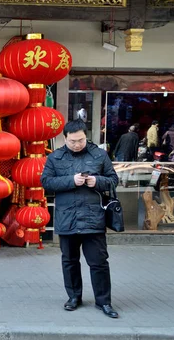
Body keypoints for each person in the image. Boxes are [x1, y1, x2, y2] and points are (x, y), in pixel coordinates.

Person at [40, 119, 119, 319]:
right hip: (67, 218)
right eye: (73, 141)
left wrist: (97, 181)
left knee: (99, 262)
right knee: (69, 261)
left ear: (86, 136)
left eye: (81, 140)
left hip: (94, 218)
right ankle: (74, 297)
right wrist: (71, 181)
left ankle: (104, 302)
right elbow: (46, 183)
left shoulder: (99, 155)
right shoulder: (55, 157)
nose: (77, 144)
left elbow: (113, 180)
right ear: (64, 138)